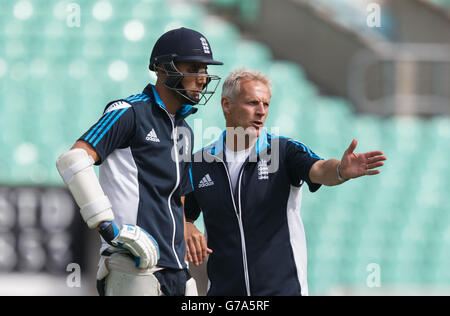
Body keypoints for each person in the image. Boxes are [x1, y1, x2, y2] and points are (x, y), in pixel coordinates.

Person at [184, 68, 386, 296]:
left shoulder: (284, 151)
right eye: (252, 103)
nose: (261, 112)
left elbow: (318, 169)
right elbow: (182, 212)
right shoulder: (200, 162)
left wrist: (340, 170)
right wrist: (187, 224)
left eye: (266, 104)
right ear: (226, 105)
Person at [56, 27, 223, 296]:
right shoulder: (128, 112)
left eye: (204, 70)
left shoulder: (186, 131)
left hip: (176, 270)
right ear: (164, 68)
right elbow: (73, 160)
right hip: (132, 265)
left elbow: (176, 197)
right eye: (194, 68)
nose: (202, 79)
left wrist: (186, 227)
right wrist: (110, 229)